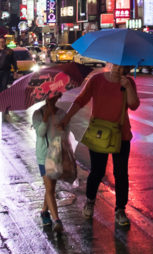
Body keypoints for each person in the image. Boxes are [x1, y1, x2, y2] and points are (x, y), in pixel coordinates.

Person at [60, 63, 140, 227]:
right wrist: (66, 119)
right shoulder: (96, 80)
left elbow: (134, 105)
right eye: (117, 65)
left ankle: (120, 210)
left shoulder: (128, 82)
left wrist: (127, 86)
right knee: (97, 171)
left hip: (121, 134)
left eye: (124, 66)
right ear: (111, 64)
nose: (120, 69)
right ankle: (90, 201)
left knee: (121, 173)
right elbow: (81, 100)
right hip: (99, 134)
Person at [33, 78, 68, 233]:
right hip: (43, 155)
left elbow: (65, 136)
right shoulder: (37, 114)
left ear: (58, 97)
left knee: (52, 187)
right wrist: (46, 119)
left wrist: (60, 124)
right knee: (49, 188)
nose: (51, 100)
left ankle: (44, 211)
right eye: (49, 97)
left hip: (57, 154)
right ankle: (57, 220)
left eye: (54, 96)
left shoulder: (62, 113)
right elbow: (40, 134)